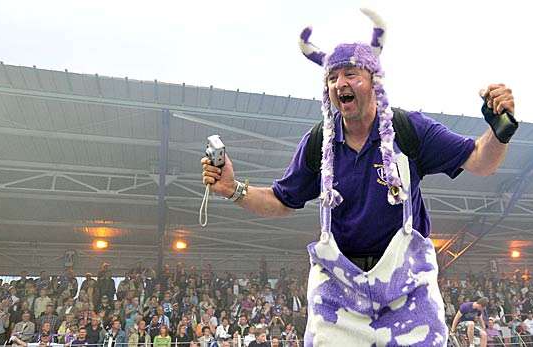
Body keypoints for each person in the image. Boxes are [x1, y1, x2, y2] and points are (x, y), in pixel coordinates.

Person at [201, 8, 516, 347]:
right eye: (333, 78)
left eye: (350, 74)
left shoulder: (409, 130)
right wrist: (234, 188)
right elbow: (282, 200)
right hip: (339, 288)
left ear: (373, 79)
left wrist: (499, 130)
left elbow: (481, 162)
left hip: (407, 283)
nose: (340, 84)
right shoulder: (319, 142)